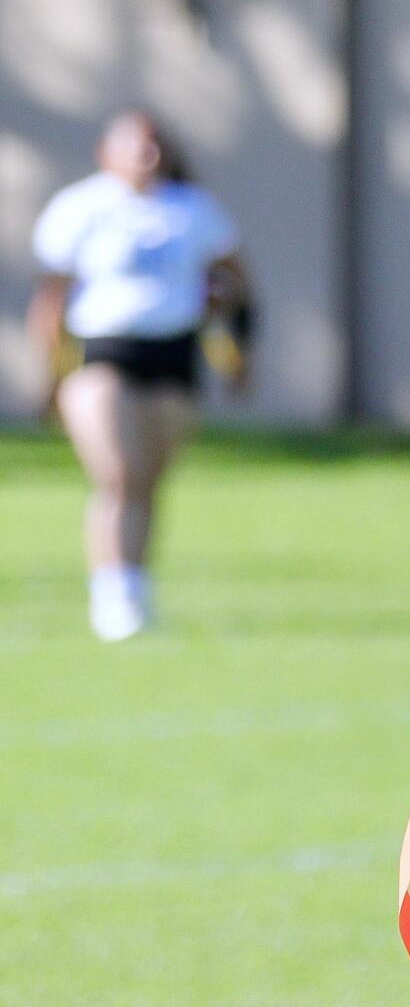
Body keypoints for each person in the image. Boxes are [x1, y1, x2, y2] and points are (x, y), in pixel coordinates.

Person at [28, 110, 254, 641]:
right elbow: (53, 298)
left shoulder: (192, 210)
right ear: (107, 152)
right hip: (105, 353)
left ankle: (135, 585)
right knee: (118, 473)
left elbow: (237, 282)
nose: (145, 156)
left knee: (148, 480)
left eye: (154, 145)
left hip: (173, 355)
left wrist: (236, 347)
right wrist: (48, 375)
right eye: (133, 146)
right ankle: (111, 594)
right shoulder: (83, 206)